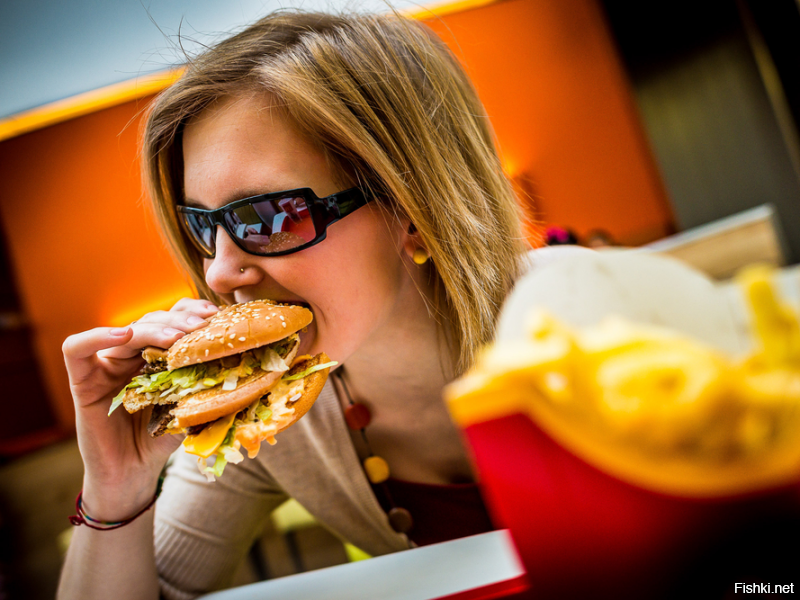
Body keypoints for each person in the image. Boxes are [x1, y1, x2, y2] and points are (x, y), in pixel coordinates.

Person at [57, 9, 555, 599]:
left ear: (414, 210)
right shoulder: (268, 417)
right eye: (202, 225)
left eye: (268, 216)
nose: (218, 273)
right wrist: (117, 486)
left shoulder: (591, 317)